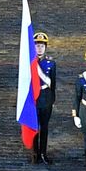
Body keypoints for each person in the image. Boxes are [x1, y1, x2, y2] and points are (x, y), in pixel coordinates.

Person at [31, 31, 56, 164]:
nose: (39, 48)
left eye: (42, 46)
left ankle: (43, 153)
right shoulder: (29, 62)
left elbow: (53, 83)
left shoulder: (51, 63)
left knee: (44, 127)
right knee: (34, 127)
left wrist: (52, 100)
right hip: (33, 98)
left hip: (45, 97)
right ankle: (35, 153)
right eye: (37, 45)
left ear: (45, 47)